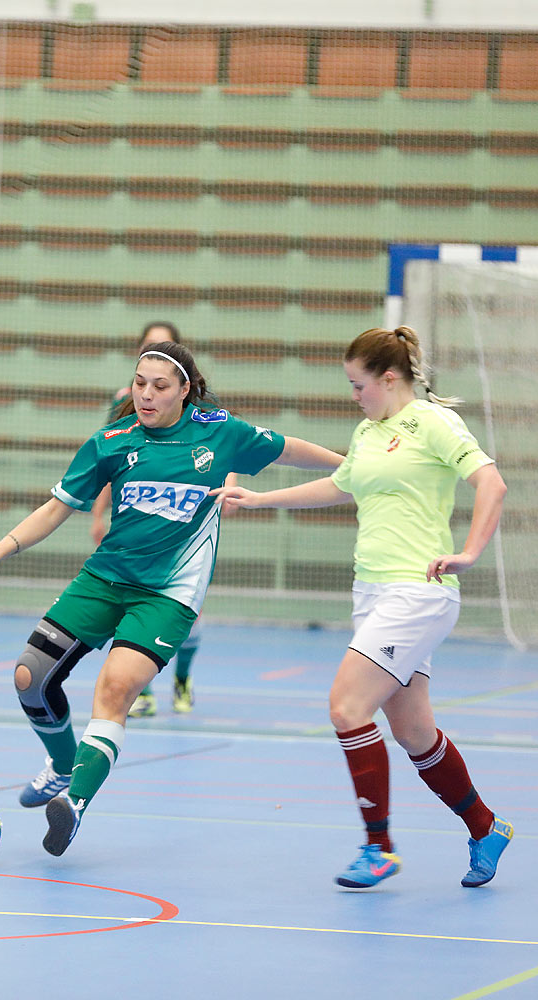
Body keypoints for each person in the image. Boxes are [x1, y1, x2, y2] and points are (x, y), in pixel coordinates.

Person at [0, 340, 344, 856]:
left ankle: (73, 805)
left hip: (167, 595)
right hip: (105, 578)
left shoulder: (220, 433)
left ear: (185, 391)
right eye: (140, 383)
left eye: (160, 386)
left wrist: (351, 469)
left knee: (115, 689)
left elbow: (289, 448)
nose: (146, 394)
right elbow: (56, 508)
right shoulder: (112, 441)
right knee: (29, 676)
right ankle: (61, 760)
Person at [212, 326, 510, 890]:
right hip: (371, 593)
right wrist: (259, 498)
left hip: (417, 590)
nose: (355, 395)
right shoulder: (369, 431)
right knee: (414, 729)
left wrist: (470, 552)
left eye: (359, 385)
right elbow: (342, 484)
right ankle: (485, 826)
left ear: (389, 378)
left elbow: (491, 484)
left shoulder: (434, 422)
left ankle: (378, 847)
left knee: (347, 707)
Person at [89, 321, 229, 718]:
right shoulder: (125, 402)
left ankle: (182, 678)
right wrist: (98, 515)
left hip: (185, 523)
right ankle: (141, 690)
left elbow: (226, 446)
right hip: (133, 523)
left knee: (186, 612)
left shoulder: (201, 406)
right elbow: (107, 462)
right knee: (133, 604)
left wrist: (229, 484)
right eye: (149, 347)